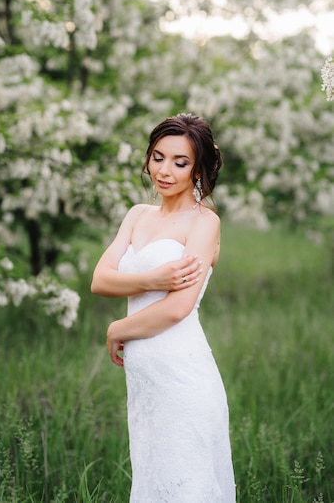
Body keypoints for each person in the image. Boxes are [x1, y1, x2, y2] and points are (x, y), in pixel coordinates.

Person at [91, 113, 236, 502]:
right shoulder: (138, 215)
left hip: (182, 376)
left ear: (199, 169)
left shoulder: (205, 223)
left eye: (180, 162)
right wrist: (153, 280)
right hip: (144, 385)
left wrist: (117, 328)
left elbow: (178, 308)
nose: (164, 170)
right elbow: (100, 279)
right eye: (158, 157)